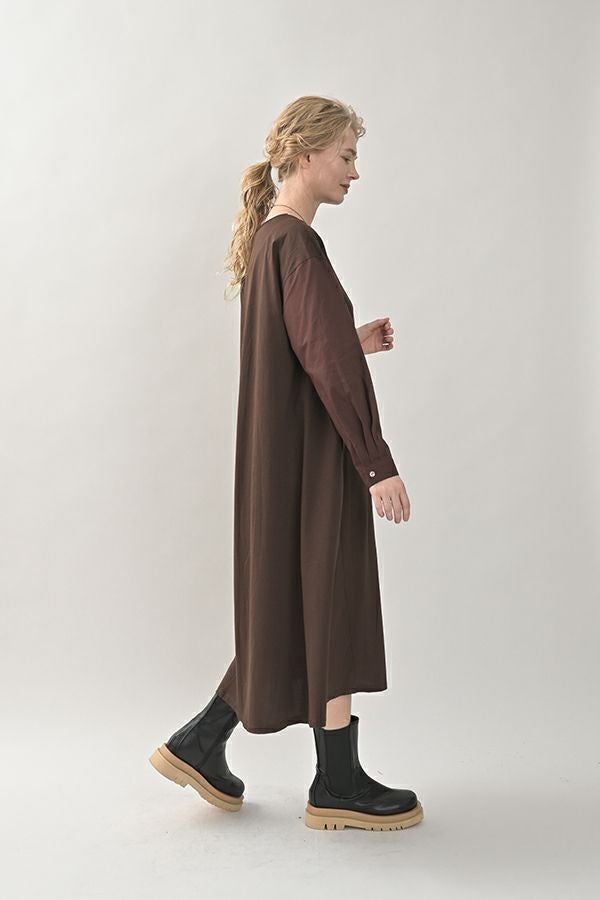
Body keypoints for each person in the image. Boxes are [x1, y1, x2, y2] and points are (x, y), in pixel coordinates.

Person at [149, 95, 424, 831]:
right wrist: (377, 464)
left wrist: (350, 341)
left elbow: (305, 350)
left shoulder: (272, 240)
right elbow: (323, 367)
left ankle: (201, 742)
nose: (354, 173)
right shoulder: (297, 244)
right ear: (307, 156)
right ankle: (336, 784)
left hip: (281, 462)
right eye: (346, 157)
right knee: (330, 600)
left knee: (293, 606)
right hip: (314, 463)